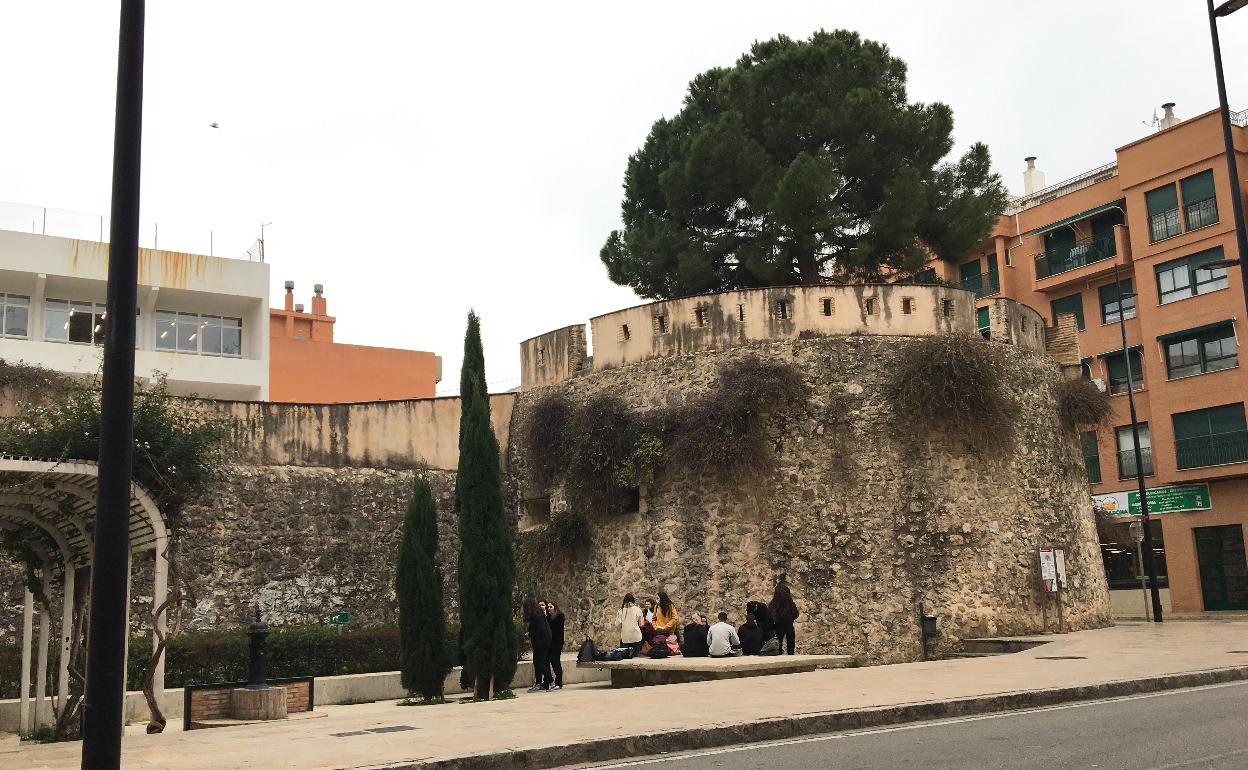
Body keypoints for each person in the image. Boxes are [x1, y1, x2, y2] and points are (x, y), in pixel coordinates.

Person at [768, 575, 800, 655]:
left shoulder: (774, 603)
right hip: (789, 625)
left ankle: (779, 659)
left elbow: (770, 615)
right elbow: (796, 614)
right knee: (791, 645)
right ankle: (791, 659)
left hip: (778, 626)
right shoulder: (791, 603)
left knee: (778, 644)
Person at [524, 598, 552, 692]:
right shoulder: (538, 615)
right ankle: (539, 683)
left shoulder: (537, 616)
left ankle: (550, 680)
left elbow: (541, 630)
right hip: (541, 642)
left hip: (541, 642)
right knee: (538, 663)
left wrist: (530, 634)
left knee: (539, 663)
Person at [545, 600, 565, 690]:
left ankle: (559, 682)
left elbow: (556, 630)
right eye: (548, 607)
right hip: (549, 643)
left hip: (557, 643)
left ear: (555, 607)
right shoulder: (547, 618)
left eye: (551, 607)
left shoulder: (559, 617)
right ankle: (549, 681)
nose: (549, 609)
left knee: (555, 661)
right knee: (548, 661)